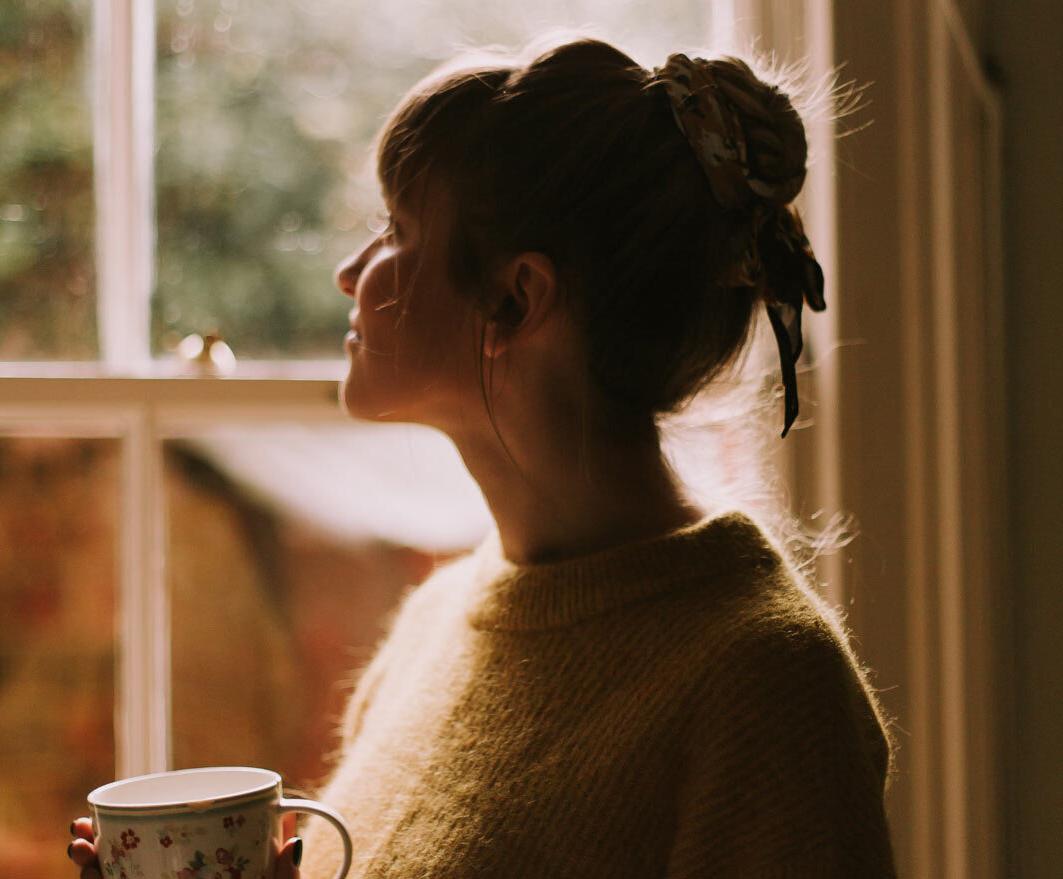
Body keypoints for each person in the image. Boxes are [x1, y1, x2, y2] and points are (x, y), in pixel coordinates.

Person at [70, 35, 896, 878]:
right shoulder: (434, 625)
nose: (350, 273)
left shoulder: (766, 690)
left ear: (517, 297)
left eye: (396, 230)